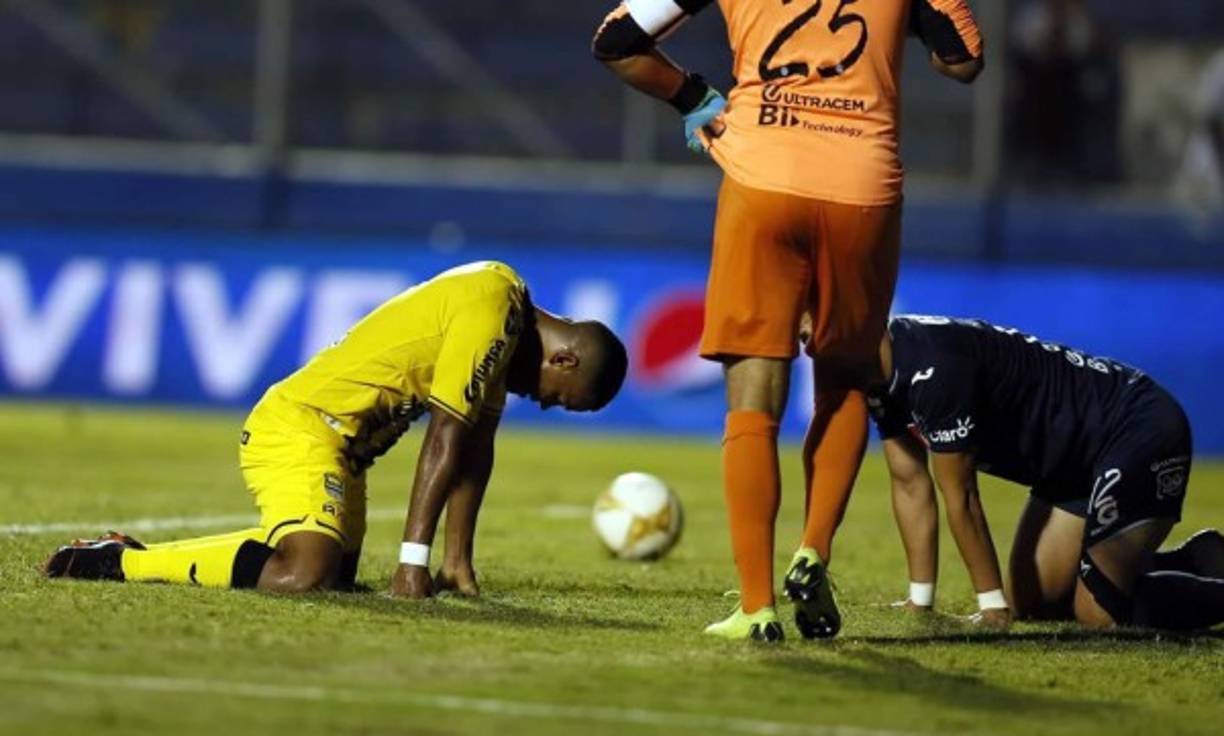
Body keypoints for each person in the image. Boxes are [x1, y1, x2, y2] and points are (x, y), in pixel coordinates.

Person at [592, 0, 983, 640]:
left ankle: (757, 606)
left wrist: (692, 96)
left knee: (753, 397)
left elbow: (616, 41)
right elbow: (962, 61)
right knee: (847, 377)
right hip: (863, 187)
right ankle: (813, 551)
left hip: (762, 176)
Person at [44, 261, 628, 599]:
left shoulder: (505, 330)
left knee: (332, 578)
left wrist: (456, 562)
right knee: (304, 572)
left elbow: (475, 451)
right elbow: (446, 437)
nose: (544, 404)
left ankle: (133, 552)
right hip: (301, 428)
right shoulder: (491, 304)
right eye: (558, 398)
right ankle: (118, 564)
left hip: (344, 455)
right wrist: (412, 560)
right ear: (564, 360)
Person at [871, 315, 1224, 629]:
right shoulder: (878, 376)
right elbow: (910, 483)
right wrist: (920, 601)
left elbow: (961, 494)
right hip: (1072, 465)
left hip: (1133, 429)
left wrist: (991, 606)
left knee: (1099, 613)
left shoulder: (935, 365)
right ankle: (1197, 559)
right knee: (1032, 601)